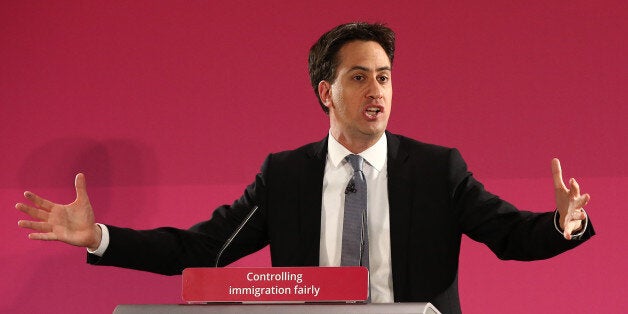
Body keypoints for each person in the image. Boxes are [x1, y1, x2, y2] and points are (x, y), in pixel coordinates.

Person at [16, 22, 594, 313]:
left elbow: (512, 235)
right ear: (326, 91)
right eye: (360, 76)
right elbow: (202, 251)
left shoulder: (437, 170)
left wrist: (562, 223)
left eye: (385, 76)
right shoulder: (286, 175)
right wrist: (98, 237)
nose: (378, 89)